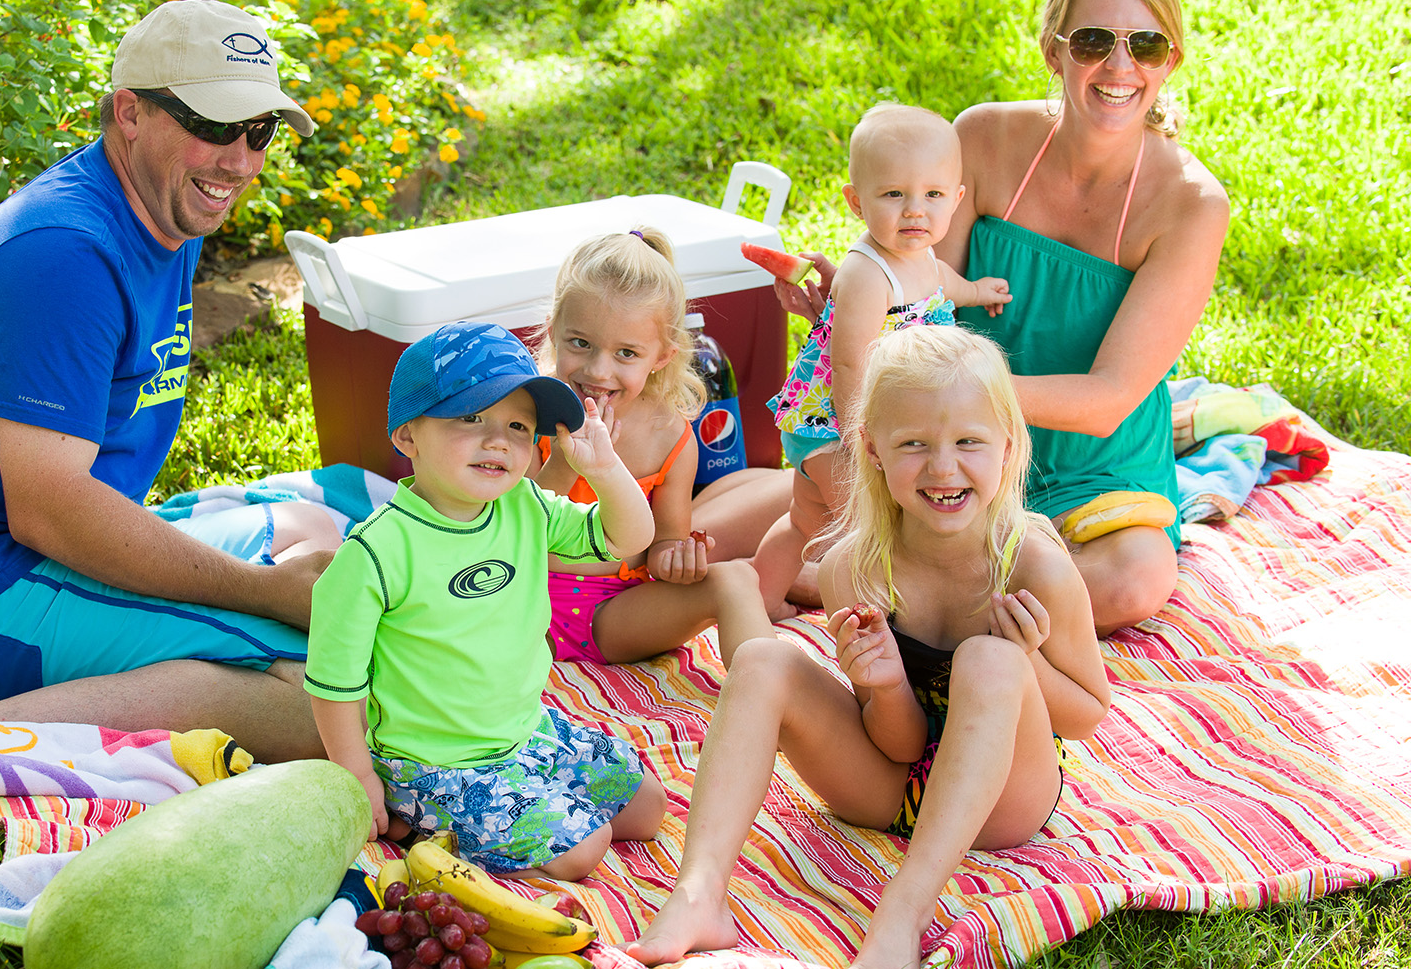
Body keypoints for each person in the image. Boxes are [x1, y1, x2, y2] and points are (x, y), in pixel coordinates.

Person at [0, 0, 343, 785]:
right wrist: (264, 595)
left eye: (260, 131)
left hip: (40, 556)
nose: (240, 161)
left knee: (314, 528)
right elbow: (47, 509)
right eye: (215, 127)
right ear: (129, 113)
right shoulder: (64, 255)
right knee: (345, 701)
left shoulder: (165, 209)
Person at [697, 0, 1230, 636]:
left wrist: (957, 399)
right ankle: (905, 577)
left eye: (1147, 45)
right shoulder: (982, 137)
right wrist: (854, 302)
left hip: (1089, 469)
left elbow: (1106, 402)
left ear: (1171, 60)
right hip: (938, 444)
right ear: (1053, 50)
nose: (1120, 66)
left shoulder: (1191, 203)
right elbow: (919, 295)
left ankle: (903, 591)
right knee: (700, 536)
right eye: (1094, 41)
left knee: (1137, 578)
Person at [626, 325, 1111, 968]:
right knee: (762, 658)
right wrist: (882, 686)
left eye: (969, 441)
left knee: (989, 659)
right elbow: (901, 745)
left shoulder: (1034, 566)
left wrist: (1028, 660)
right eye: (914, 444)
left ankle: (903, 915)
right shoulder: (853, 567)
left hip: (1001, 806)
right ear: (871, 450)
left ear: (1008, 446)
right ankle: (699, 893)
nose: (943, 467)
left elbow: (1087, 713)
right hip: (889, 787)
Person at [304, 321, 669, 879]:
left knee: (647, 807)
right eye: (470, 417)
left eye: (519, 426)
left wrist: (605, 470)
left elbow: (629, 538)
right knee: (586, 846)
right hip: (431, 761)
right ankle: (418, 818)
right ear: (407, 436)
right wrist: (358, 775)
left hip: (525, 730)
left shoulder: (524, 506)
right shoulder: (378, 550)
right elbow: (334, 679)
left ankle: (486, 815)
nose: (499, 440)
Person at [748, 105, 1009, 617]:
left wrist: (978, 291)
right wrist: (859, 439)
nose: (915, 210)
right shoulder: (868, 274)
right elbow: (848, 364)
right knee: (870, 526)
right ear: (856, 202)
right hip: (835, 424)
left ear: (956, 199)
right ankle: (886, 620)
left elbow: (944, 287)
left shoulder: (922, 256)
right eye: (894, 194)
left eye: (933, 195)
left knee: (805, 520)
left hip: (853, 424)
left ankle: (756, 597)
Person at [530, 229, 774, 667]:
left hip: (616, 615)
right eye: (580, 343)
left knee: (736, 578)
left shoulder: (670, 436)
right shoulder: (529, 414)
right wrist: (567, 465)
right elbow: (507, 527)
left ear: (661, 356)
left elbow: (664, 543)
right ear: (554, 332)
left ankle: (769, 698)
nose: (598, 370)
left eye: (626, 353)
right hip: (520, 605)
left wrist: (677, 560)